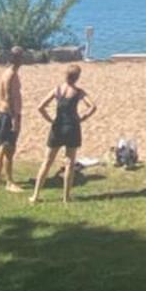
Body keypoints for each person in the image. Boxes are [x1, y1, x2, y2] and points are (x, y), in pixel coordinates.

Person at [31, 65, 96, 205]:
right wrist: (83, 117)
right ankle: (66, 197)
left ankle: (35, 195)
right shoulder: (78, 92)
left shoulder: (57, 89)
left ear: (65, 75)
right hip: (72, 127)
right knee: (69, 163)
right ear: (77, 77)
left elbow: (40, 107)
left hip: (57, 127)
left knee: (47, 161)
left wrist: (50, 120)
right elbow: (93, 106)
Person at [0, 48, 23, 190]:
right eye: (20, 57)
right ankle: (9, 181)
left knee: (2, 146)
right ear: (15, 59)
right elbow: (9, 97)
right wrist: (14, 118)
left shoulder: (8, 72)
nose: (23, 59)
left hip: (3, 113)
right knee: (9, 148)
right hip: (8, 114)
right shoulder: (10, 75)